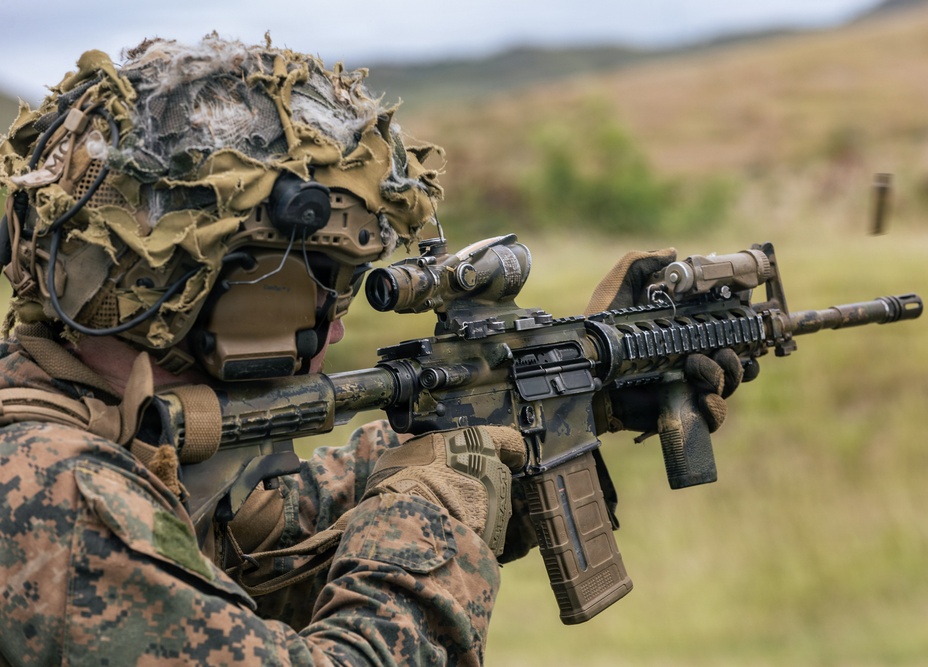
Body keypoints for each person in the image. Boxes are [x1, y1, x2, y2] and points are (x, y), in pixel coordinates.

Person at [0, 36, 744, 666]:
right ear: (185, 283)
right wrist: (432, 514)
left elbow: (267, 538)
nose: (335, 326)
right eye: (318, 282)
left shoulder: (96, 430)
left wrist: (557, 398)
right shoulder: (56, 501)